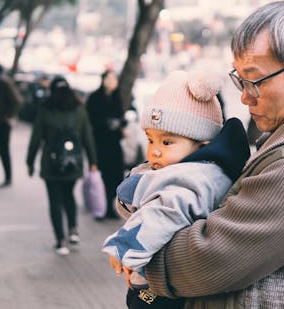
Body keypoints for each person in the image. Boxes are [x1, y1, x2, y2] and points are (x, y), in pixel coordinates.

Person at [143, 1, 284, 308]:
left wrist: (142, 255)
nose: (245, 96)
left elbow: (212, 259)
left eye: (254, 81)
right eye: (240, 80)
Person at [102, 70, 250, 308]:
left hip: (164, 296)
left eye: (167, 142)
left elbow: (166, 210)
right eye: (151, 140)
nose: (155, 151)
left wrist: (124, 247)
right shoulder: (186, 168)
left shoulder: (195, 177)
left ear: (201, 144)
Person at [26, 76, 98, 255]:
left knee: (55, 201)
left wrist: (29, 161)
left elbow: (36, 137)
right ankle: (73, 229)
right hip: (73, 164)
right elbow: (87, 136)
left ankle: (61, 241)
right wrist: (93, 161)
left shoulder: (45, 109)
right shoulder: (79, 109)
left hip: (51, 164)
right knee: (69, 196)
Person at [86, 69, 126, 219]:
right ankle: (99, 207)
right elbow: (90, 119)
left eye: (114, 79)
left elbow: (122, 116)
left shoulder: (117, 97)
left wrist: (119, 123)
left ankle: (111, 206)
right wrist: (105, 123)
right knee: (101, 175)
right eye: (109, 78)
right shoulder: (95, 98)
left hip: (114, 143)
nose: (112, 82)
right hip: (100, 142)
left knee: (115, 175)